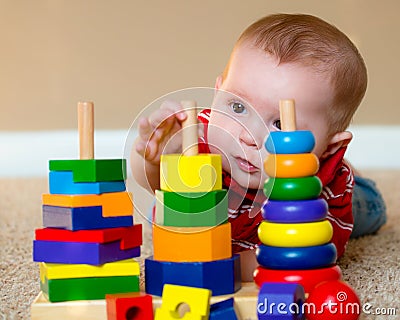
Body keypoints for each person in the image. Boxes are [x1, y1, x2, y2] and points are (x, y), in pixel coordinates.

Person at [131, 13, 386, 281]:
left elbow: (301, 255)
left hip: (336, 197)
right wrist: (156, 158)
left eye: (279, 123)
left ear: (327, 147)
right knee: (162, 210)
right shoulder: (201, 135)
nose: (249, 137)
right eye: (238, 107)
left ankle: (355, 175)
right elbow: (150, 181)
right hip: (225, 207)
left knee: (370, 209)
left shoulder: (321, 193)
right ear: (218, 91)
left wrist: (215, 263)